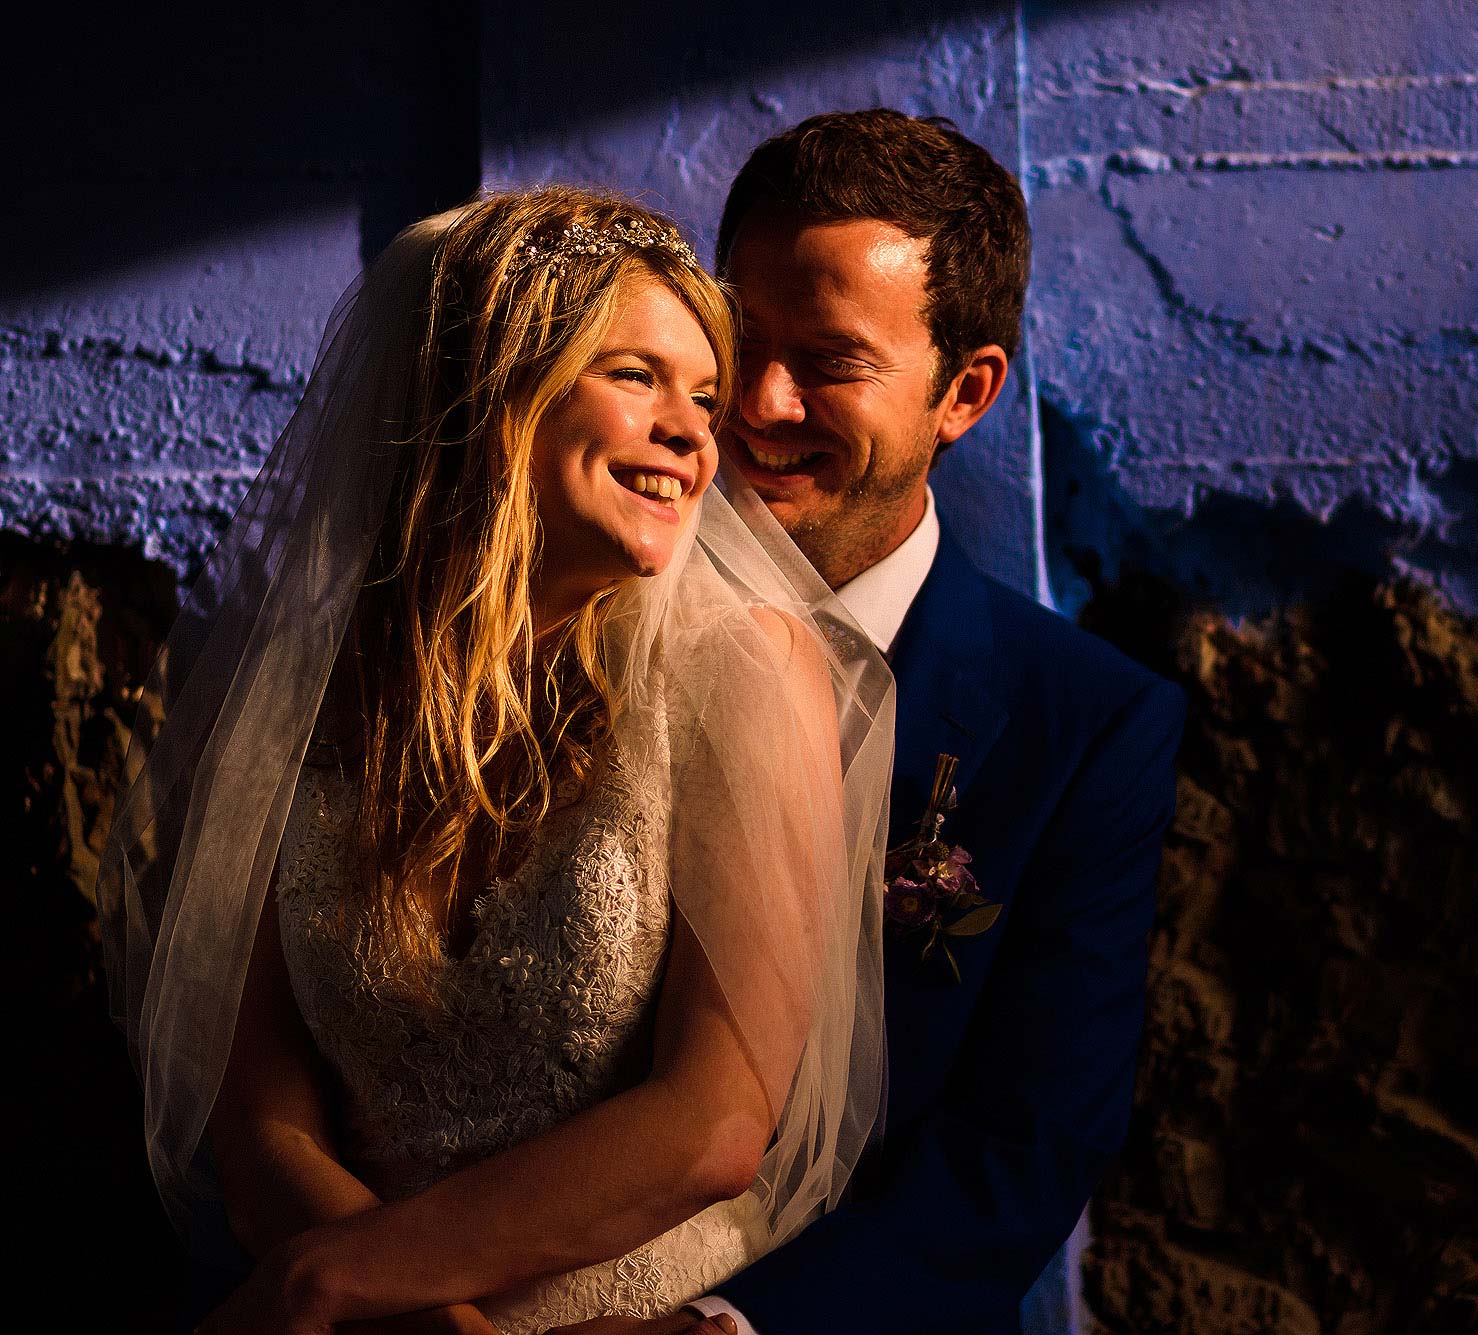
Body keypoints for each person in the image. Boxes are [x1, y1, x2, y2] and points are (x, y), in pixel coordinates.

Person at [96, 186, 896, 1335]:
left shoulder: (743, 669)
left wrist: (339, 1284)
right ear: (487, 391)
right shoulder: (306, 687)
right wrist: (407, 1315)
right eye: (634, 375)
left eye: (702, 395)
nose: (693, 433)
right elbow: (261, 1122)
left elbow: (714, 1128)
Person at [674, 110, 1187, 1335]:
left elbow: (1020, 1147)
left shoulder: (1084, 726)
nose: (758, 401)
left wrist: (720, 1332)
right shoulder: (574, 625)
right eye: (738, 338)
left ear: (963, 393)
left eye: (830, 361)